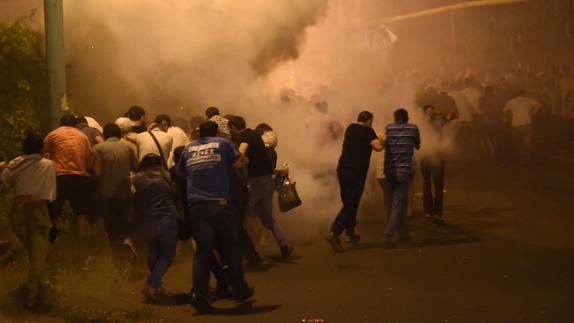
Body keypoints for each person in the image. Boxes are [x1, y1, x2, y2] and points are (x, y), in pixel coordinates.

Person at [178, 121, 254, 313]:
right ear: (217, 133)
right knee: (231, 249)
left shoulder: (188, 148)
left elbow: (180, 172)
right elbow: (238, 164)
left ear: (198, 134)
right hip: (219, 203)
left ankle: (200, 295)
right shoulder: (223, 144)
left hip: (196, 205)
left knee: (203, 251)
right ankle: (240, 290)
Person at [0, 133, 56, 308]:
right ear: (42, 148)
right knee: (39, 255)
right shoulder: (48, 165)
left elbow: (3, 182)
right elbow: (50, 195)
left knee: (35, 254)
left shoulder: (16, 163)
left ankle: (38, 288)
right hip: (39, 213)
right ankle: (32, 294)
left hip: (17, 213)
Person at [229, 116, 292, 259]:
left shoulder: (243, 137)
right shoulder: (253, 134)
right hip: (268, 181)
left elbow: (242, 151)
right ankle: (284, 243)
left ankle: (244, 252)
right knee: (267, 218)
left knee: (240, 214)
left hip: (255, 182)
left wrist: (240, 161)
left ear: (233, 127)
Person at [326, 111, 384, 252]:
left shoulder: (350, 128)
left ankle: (350, 233)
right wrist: (384, 138)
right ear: (369, 121)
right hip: (357, 172)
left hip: (343, 169)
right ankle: (334, 232)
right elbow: (378, 147)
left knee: (348, 201)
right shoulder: (368, 131)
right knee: (351, 204)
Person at [44, 114, 95, 253]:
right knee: (81, 215)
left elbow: (43, 156)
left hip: (60, 178)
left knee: (53, 215)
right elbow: (89, 158)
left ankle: (51, 248)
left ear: (60, 124)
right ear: (74, 125)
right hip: (79, 178)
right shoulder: (82, 137)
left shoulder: (53, 134)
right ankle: (84, 252)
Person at [91, 124, 139, 268]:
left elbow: (97, 172)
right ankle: (128, 240)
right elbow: (135, 167)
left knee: (112, 227)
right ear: (119, 135)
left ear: (104, 135)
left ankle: (118, 260)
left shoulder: (97, 149)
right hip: (124, 191)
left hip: (106, 193)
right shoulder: (128, 147)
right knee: (126, 221)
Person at [134, 154, 179, 302]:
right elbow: (173, 193)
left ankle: (157, 286)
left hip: (146, 220)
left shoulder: (137, 178)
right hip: (167, 219)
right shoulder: (166, 176)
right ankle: (151, 284)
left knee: (153, 251)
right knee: (167, 256)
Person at [383, 109, 421, 248]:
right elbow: (417, 145)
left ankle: (403, 233)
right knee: (399, 204)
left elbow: (383, 144)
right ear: (407, 117)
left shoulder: (388, 128)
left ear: (395, 117)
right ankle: (388, 235)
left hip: (389, 171)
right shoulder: (413, 128)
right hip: (403, 170)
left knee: (401, 202)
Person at [420, 106, 448, 225]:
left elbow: (451, 115)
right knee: (427, 184)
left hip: (437, 155)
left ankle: (437, 213)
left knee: (438, 186)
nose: (431, 112)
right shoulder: (421, 124)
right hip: (426, 156)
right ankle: (428, 211)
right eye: (428, 110)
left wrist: (438, 112)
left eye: (432, 110)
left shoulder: (439, 121)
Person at [503, 88, 541, 164]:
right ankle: (524, 158)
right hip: (527, 123)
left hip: (516, 125)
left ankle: (519, 157)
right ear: (524, 94)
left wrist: (509, 116)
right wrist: (532, 112)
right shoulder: (528, 100)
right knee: (528, 143)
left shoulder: (511, 101)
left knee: (517, 142)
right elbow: (539, 104)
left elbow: (504, 110)